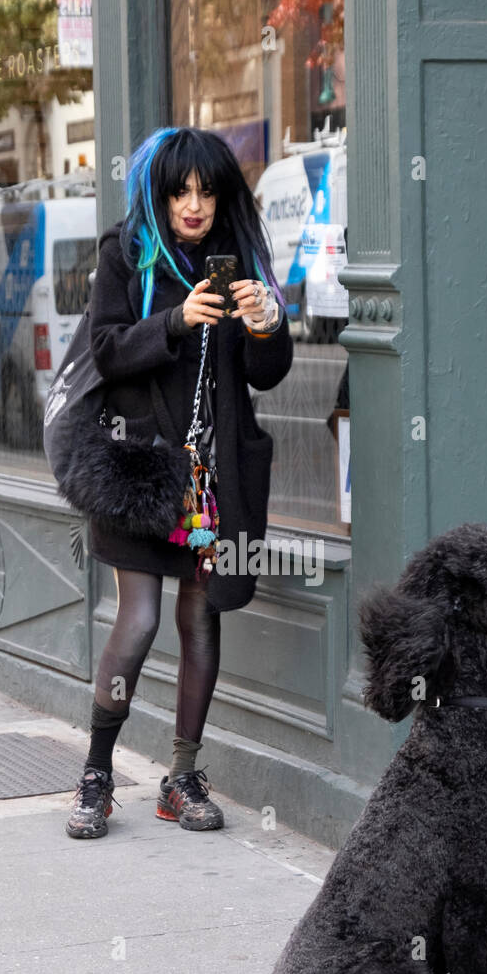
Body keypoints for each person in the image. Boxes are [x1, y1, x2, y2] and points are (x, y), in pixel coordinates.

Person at [67, 126, 293, 838]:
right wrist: (173, 319)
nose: (194, 204)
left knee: (201, 617)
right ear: (159, 194)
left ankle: (183, 776)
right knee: (137, 621)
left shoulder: (237, 260)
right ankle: (97, 774)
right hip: (144, 472)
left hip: (214, 480)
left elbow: (266, 375)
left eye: (206, 191)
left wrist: (265, 325)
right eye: (180, 192)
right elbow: (104, 351)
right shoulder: (126, 254)